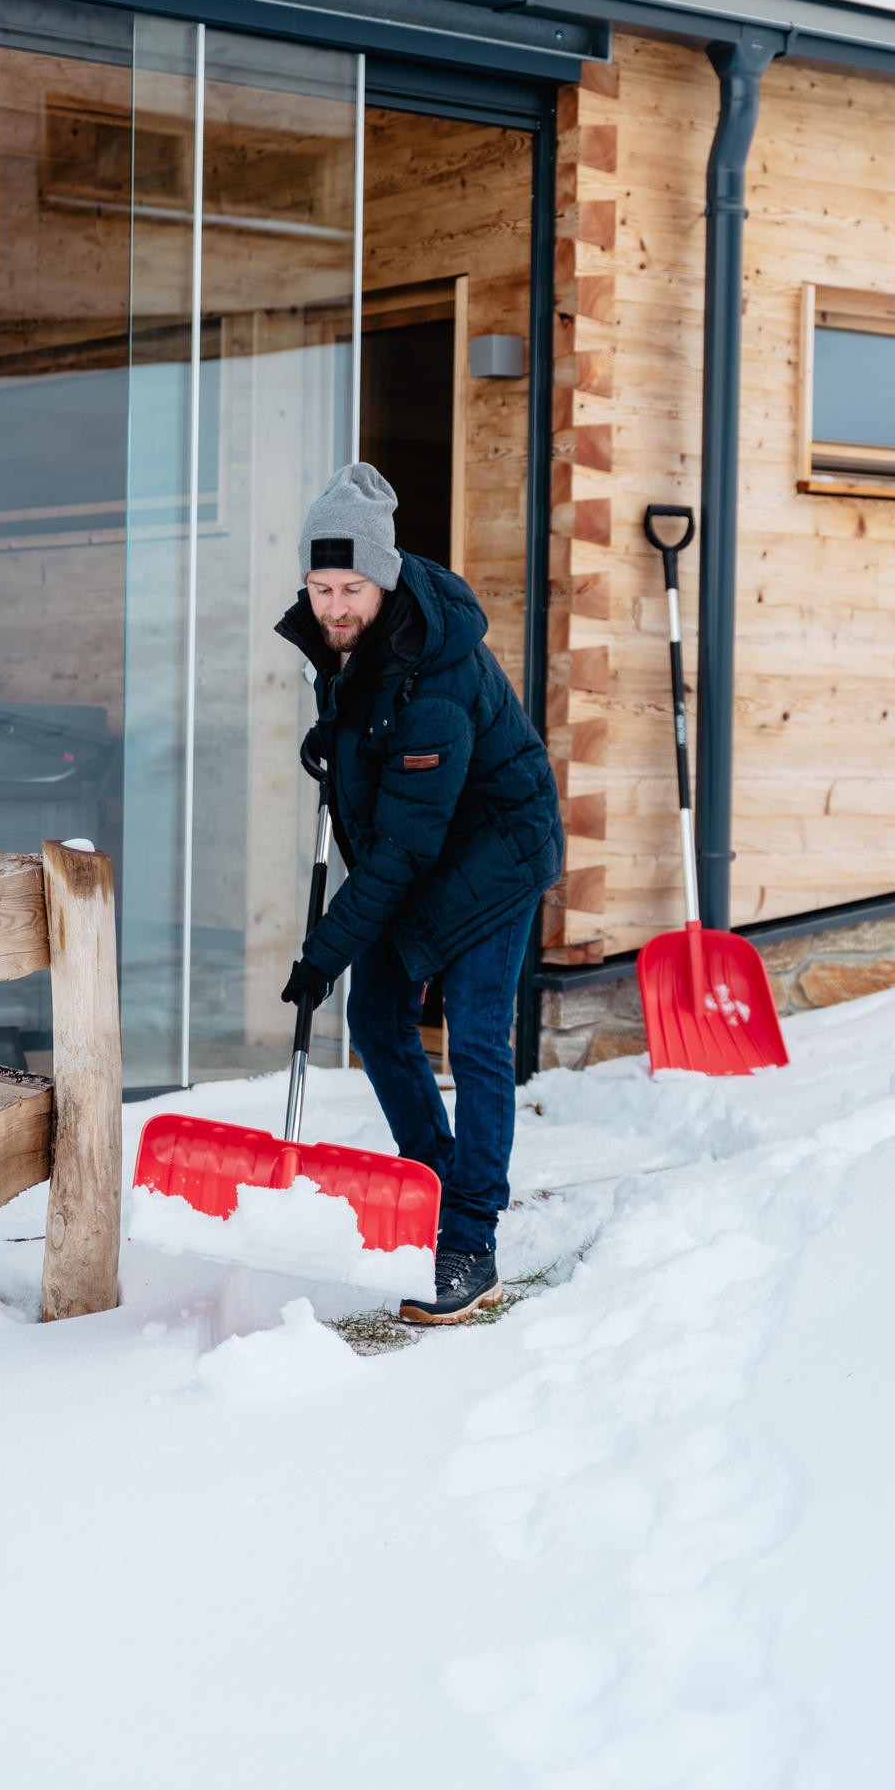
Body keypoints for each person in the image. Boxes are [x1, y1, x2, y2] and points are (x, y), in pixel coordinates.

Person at [275, 462, 564, 1323]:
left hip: (494, 855)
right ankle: (435, 1183)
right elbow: (377, 743)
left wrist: (322, 954)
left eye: (350, 586)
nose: (333, 605)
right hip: (429, 849)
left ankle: (470, 1238)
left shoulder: (438, 676)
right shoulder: (356, 641)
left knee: (474, 1037)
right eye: (320, 586)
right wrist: (335, 738)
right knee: (377, 1021)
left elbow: (401, 853)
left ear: (385, 577)